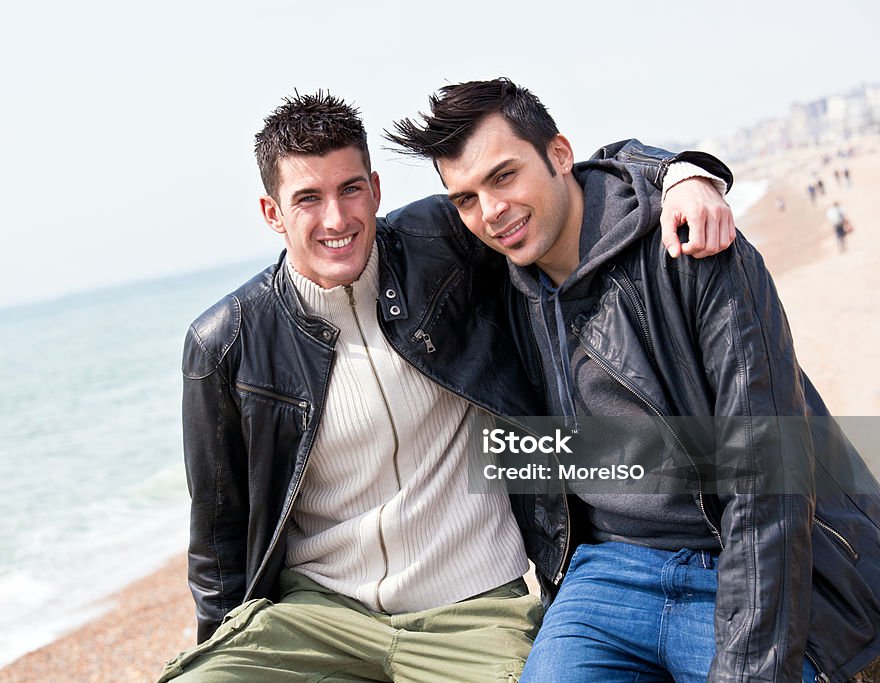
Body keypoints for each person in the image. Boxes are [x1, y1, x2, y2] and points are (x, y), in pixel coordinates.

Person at [158, 91, 734, 682]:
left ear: (376, 190)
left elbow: (556, 181)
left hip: (475, 608)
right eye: (308, 198)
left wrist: (678, 173)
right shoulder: (225, 342)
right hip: (318, 616)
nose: (336, 219)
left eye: (350, 189)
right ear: (272, 212)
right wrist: (222, 653)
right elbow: (218, 541)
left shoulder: (446, 240)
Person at [386, 77, 880, 682]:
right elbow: (359, 242)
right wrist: (673, 166)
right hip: (606, 575)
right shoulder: (506, 287)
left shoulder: (693, 250)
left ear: (561, 155)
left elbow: (768, 480)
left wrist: (682, 173)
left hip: (730, 563)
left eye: (504, 176)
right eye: (465, 199)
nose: (491, 212)